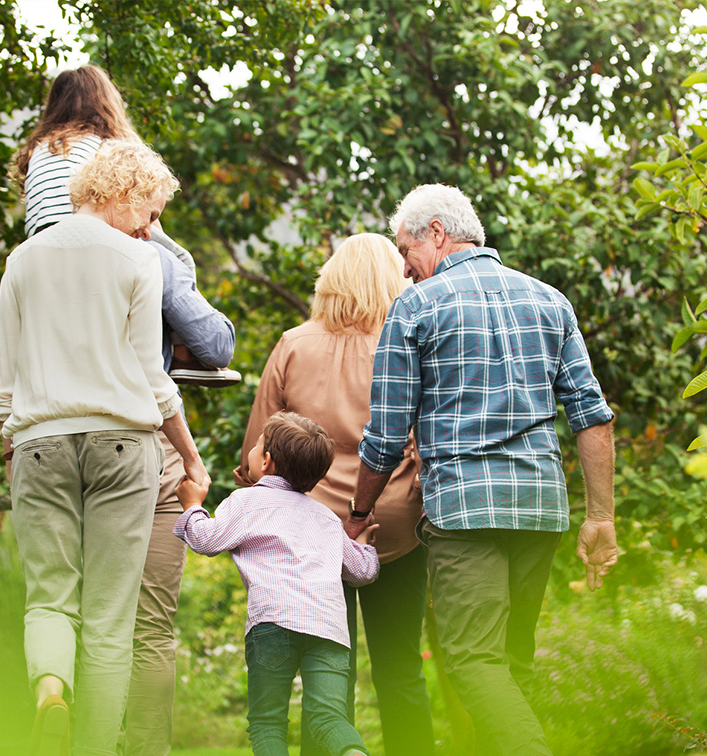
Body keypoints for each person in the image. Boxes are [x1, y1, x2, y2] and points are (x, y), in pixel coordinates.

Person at [12, 65, 238, 756]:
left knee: (51, 599)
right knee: (124, 622)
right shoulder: (142, 254)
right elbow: (182, 357)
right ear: (131, 193)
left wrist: (13, 436)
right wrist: (192, 454)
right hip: (126, 441)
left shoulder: (25, 253)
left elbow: (8, 373)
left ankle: (51, 688)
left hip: (42, 435)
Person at [347, 184, 618, 756]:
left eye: (405, 250)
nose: (402, 267)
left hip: (464, 511)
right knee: (509, 663)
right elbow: (592, 417)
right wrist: (601, 516)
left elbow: (387, 434)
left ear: (437, 234)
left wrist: (359, 511)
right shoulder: (550, 301)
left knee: (472, 660)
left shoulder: (415, 308)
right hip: (540, 509)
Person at [236, 233, 434, 756]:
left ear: (330, 279)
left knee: (327, 676)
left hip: (312, 536)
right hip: (395, 526)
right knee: (401, 668)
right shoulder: (407, 342)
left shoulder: (293, 345)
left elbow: (257, 453)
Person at [13, 64, 240, 388]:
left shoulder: (37, 151)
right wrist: (151, 227)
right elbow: (126, 200)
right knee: (177, 258)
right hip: (95, 230)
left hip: (44, 246)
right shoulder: (106, 147)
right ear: (105, 103)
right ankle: (183, 352)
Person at [176, 411, 379, 756]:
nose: (252, 453)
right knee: (329, 717)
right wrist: (365, 549)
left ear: (266, 461)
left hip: (273, 622)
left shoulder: (245, 502)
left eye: (256, 447)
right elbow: (361, 572)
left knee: (268, 722)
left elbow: (206, 540)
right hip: (328, 627)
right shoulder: (326, 518)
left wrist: (193, 506)